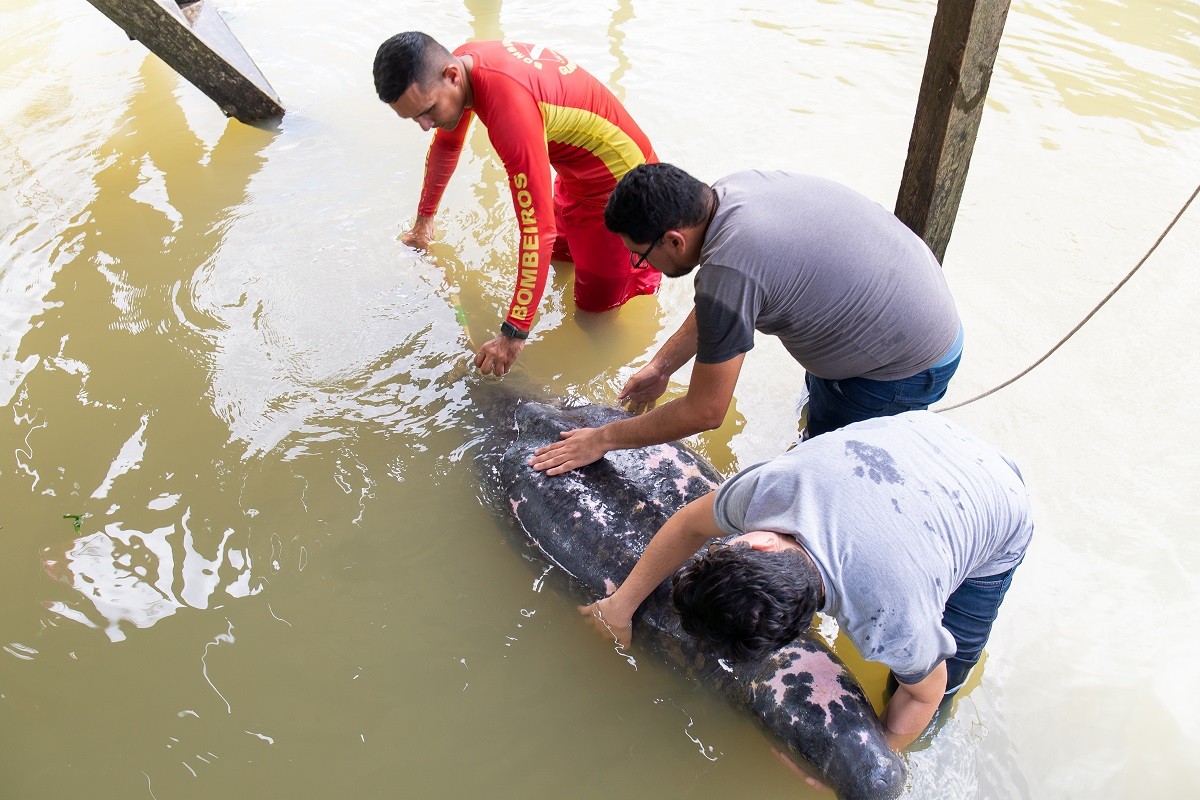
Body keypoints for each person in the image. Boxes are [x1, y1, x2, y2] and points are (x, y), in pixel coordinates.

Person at [581, 411, 1033, 751]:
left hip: (997, 504)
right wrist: (620, 607)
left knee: (945, 676)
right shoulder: (772, 487)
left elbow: (923, 694)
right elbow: (688, 527)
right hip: (923, 436)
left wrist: (873, 751)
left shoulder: (891, 619)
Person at [529, 163, 964, 475]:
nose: (638, 263)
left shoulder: (729, 273)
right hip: (916, 302)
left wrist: (601, 439)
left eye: (639, 254)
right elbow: (728, 298)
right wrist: (662, 366)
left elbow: (705, 411)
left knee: (831, 470)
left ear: (674, 240)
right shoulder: (730, 192)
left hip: (899, 368)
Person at [373, 33, 662, 376]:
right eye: (413, 119)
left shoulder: (510, 110)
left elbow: (537, 232)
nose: (424, 126)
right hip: (576, 173)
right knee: (560, 262)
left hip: (621, 192)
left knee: (593, 320)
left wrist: (513, 333)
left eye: (427, 112)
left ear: (451, 75)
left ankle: (628, 375)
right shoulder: (464, 62)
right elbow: (447, 145)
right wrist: (424, 222)